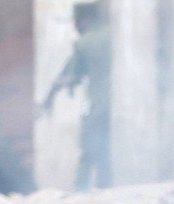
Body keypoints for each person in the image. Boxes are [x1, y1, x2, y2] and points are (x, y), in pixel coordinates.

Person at [40, 0, 111, 192]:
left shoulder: (84, 43)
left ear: (84, 20)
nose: (75, 27)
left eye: (76, 22)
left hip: (97, 103)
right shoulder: (111, 35)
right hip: (115, 104)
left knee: (89, 144)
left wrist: (51, 95)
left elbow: (72, 74)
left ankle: (80, 188)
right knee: (105, 144)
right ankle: (106, 186)